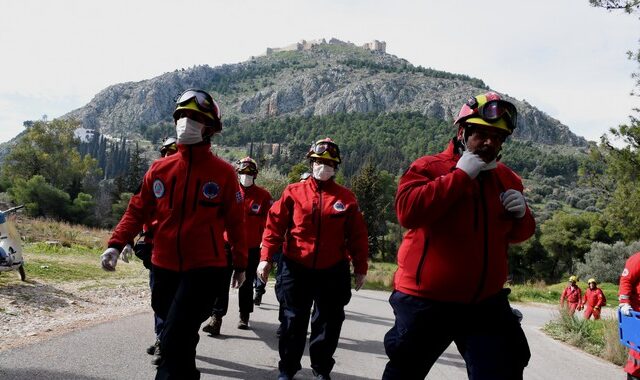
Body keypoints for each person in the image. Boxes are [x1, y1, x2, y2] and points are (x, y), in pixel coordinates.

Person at [382, 92, 535, 380]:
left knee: (506, 367)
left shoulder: (507, 178)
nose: (491, 143)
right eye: (483, 134)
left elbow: (517, 235)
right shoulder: (428, 167)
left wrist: (523, 215)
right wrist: (459, 176)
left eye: (499, 137)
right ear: (463, 132)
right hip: (426, 301)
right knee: (405, 372)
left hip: (484, 303)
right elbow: (407, 212)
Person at [100, 88, 247, 380]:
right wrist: (116, 244)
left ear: (209, 128)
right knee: (180, 334)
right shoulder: (159, 169)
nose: (186, 123)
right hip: (163, 266)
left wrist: (241, 263)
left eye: (194, 117)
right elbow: (137, 210)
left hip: (204, 269)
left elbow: (235, 222)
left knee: (172, 337)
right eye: (182, 116)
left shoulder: (224, 173)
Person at [257, 137, 369, 380]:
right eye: (319, 161)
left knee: (329, 323)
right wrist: (265, 257)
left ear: (335, 166)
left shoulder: (346, 198)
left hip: (333, 270)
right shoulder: (293, 192)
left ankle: (321, 370)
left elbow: (358, 236)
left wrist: (360, 267)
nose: (323, 165)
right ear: (311, 162)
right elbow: (274, 225)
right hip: (296, 267)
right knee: (292, 320)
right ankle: (287, 369)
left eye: (329, 162)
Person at [202, 156, 273, 334]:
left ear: (255, 174)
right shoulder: (229, 192)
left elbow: (269, 223)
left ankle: (244, 315)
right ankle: (216, 318)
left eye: (249, 173)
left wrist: (266, 246)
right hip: (227, 245)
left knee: (246, 283)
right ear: (237, 173)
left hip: (251, 247)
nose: (245, 175)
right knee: (221, 282)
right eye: (242, 172)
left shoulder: (263, 196)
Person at [137, 136, 178, 365]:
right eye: (164, 152)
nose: (167, 156)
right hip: (156, 250)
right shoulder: (153, 176)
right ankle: (162, 337)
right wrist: (124, 242)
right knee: (160, 298)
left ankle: (170, 341)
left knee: (176, 302)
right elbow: (137, 208)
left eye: (172, 151)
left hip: (184, 253)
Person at [619, 251, 640, 379]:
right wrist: (624, 302)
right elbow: (626, 279)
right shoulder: (638, 259)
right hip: (638, 314)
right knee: (637, 353)